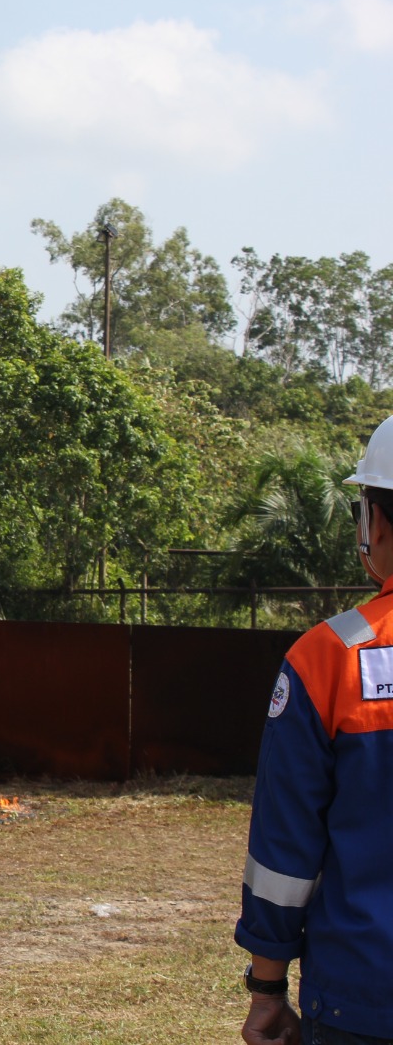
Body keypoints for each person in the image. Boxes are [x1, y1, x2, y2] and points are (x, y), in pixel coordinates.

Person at [238, 415, 393, 1044]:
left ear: (376, 521)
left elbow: (285, 848)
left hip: (365, 998)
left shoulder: (327, 659)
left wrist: (268, 990)